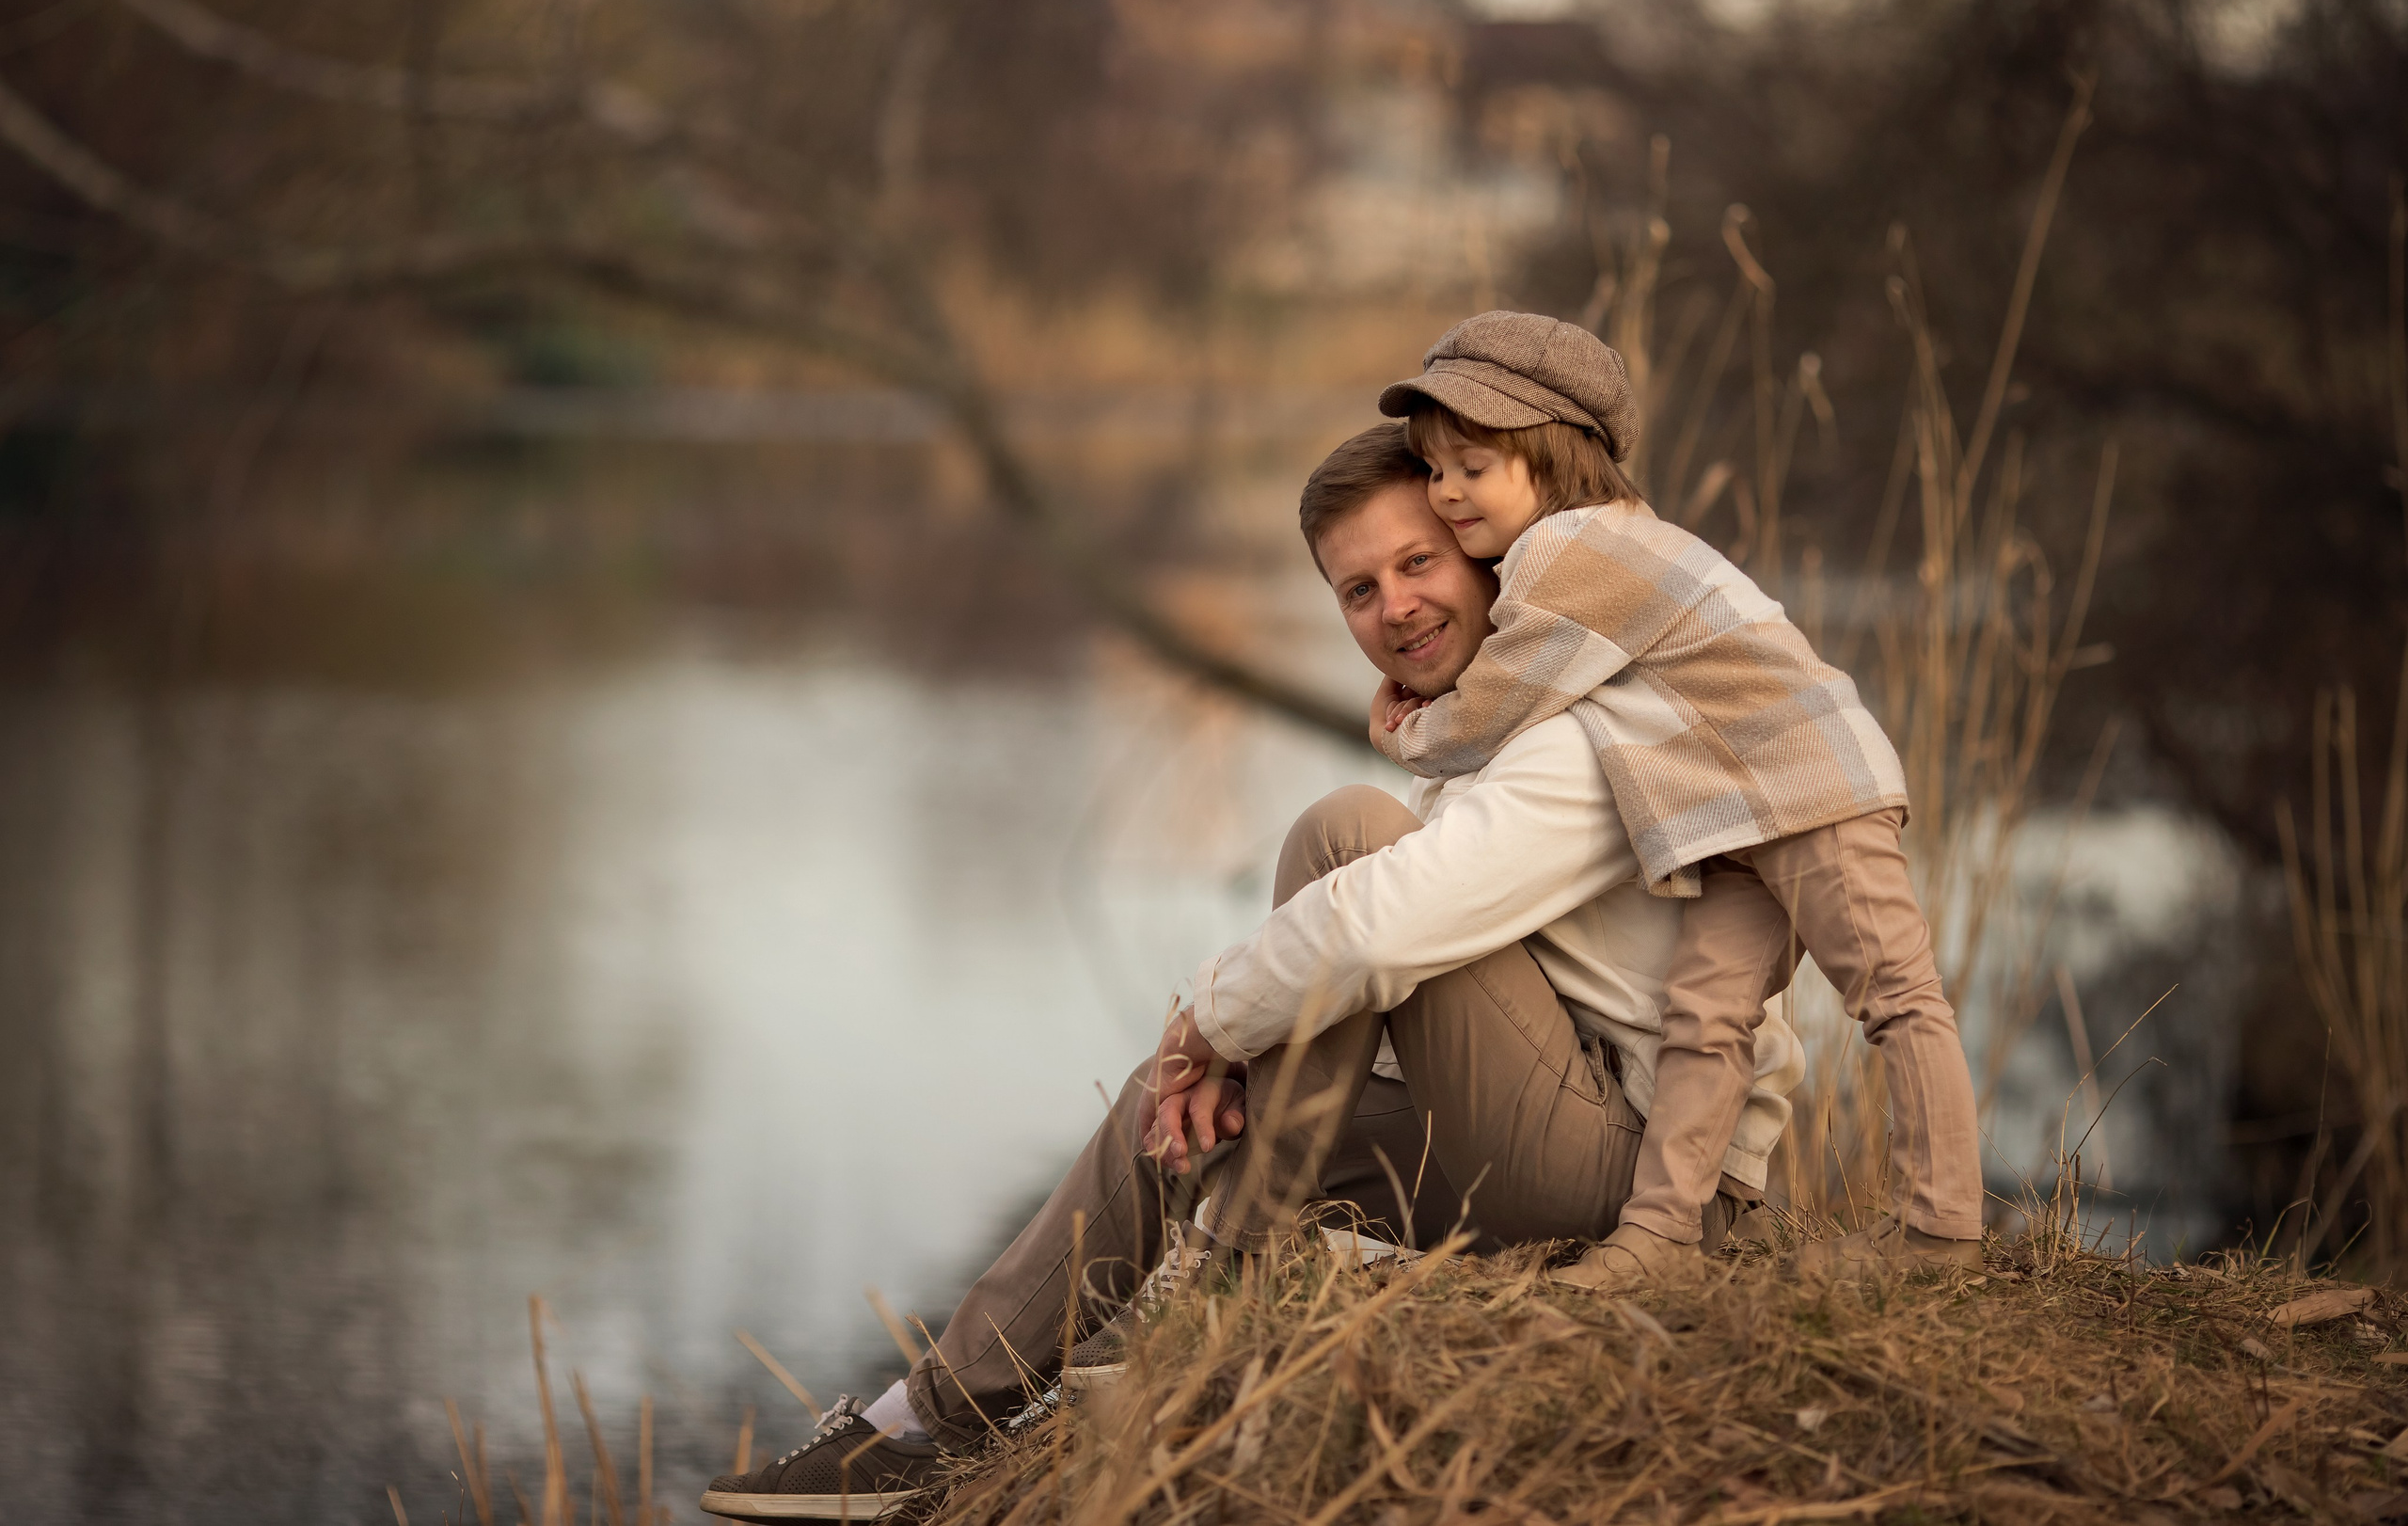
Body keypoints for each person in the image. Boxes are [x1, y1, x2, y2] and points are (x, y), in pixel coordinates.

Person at [698, 422, 1802, 1524]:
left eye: (1417, 564)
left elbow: (1376, 935)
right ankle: (925, 1422)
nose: (1394, 608)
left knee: (1344, 838)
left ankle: (1221, 1285)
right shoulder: (1485, 730)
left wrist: (1213, 1028)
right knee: (1164, 1111)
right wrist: (1213, 1068)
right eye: (1356, 590)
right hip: (1555, 1141)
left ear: (1486, 554)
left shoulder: (1581, 726)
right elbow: (1413, 973)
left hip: (1654, 1186)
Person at [1367, 310, 1987, 1296]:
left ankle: (1942, 1228)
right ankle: (1658, 1238)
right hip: (1733, 819)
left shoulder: (1579, 552)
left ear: (1552, 451)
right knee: (1703, 1018)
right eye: (1433, 469)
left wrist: (1406, 728)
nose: (1444, 493)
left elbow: (1492, 710)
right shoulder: (1577, 550)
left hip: (1810, 788)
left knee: (1894, 995)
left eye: (1470, 466)